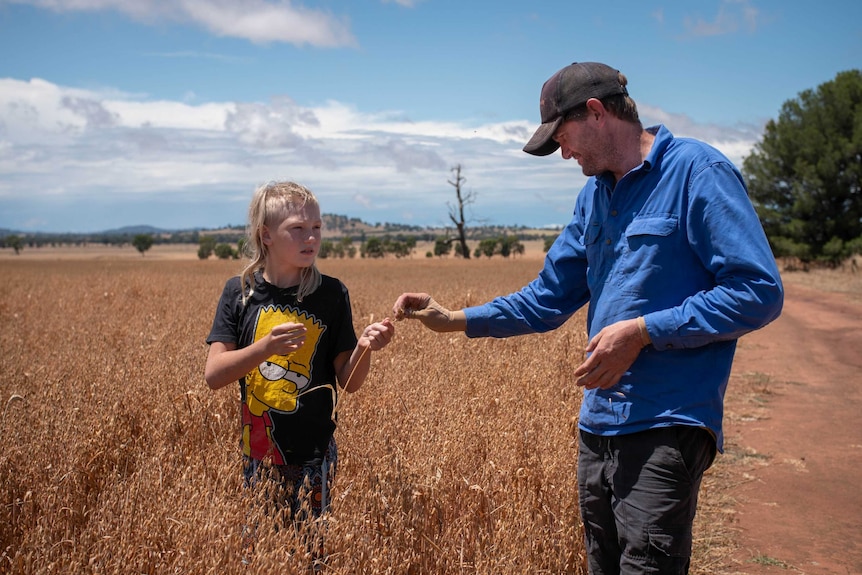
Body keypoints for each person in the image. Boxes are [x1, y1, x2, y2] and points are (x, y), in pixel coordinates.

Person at [392, 62, 783, 574]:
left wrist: (643, 332)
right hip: (597, 427)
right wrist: (455, 319)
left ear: (596, 113)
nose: (563, 153)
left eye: (562, 137)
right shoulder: (594, 197)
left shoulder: (696, 172)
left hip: (667, 423)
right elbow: (547, 298)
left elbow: (758, 291)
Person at [205, 181, 394, 567]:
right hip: (258, 452)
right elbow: (214, 374)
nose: (311, 238)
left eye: (318, 228)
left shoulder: (331, 294)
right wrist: (265, 349)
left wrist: (365, 348)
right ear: (267, 235)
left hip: (316, 455)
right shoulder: (239, 293)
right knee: (257, 556)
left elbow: (349, 381)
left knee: (313, 554)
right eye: (297, 228)